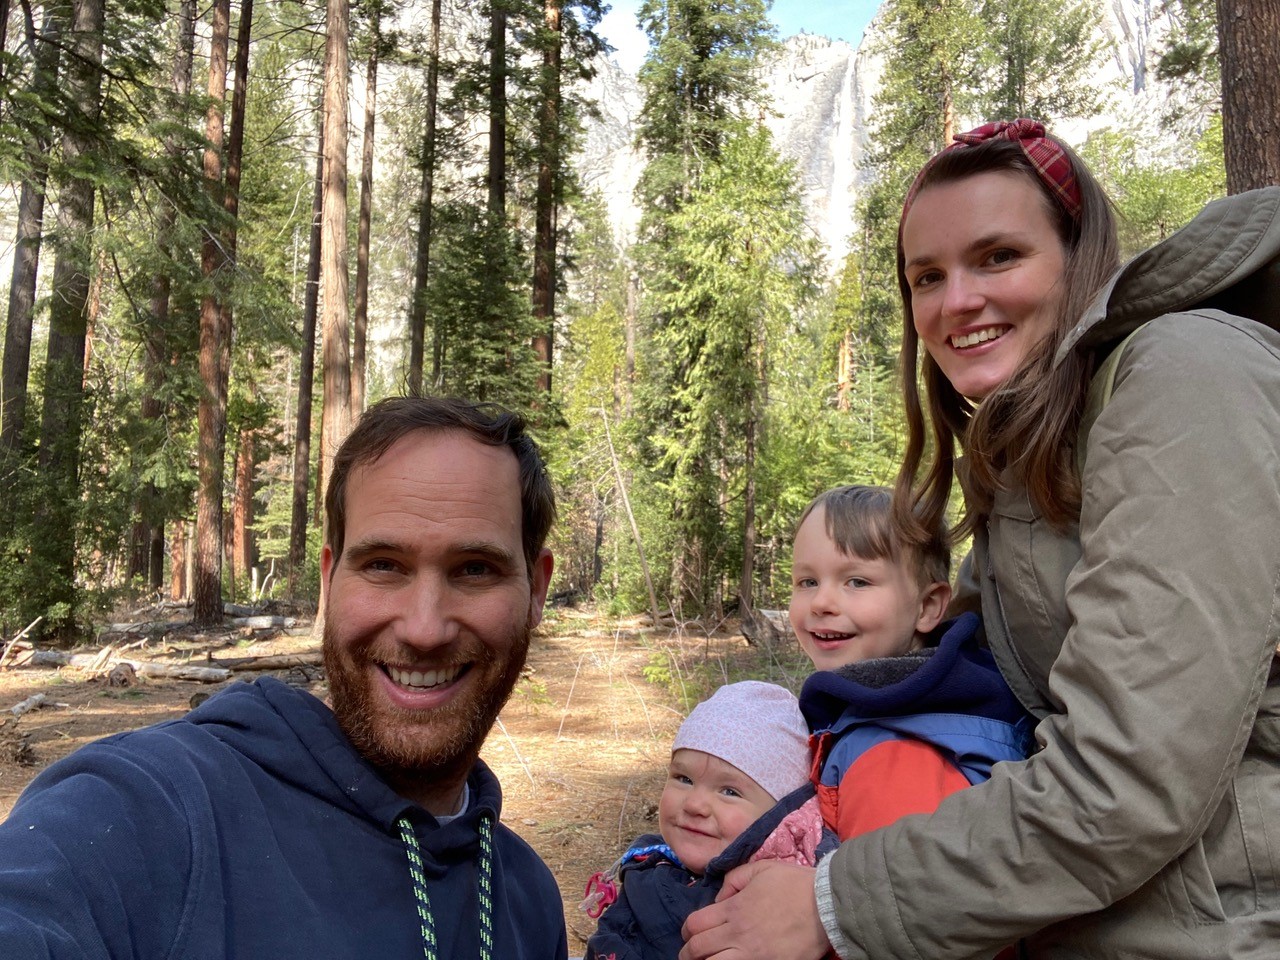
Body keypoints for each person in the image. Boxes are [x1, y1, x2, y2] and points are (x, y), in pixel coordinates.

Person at [680, 119, 1280, 959]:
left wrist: (832, 904)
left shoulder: (1183, 374)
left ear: (1081, 259)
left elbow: (1131, 780)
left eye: (998, 256)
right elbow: (953, 682)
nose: (956, 301)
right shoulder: (1025, 464)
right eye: (927, 276)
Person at [0, 396, 569, 959]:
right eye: (383, 565)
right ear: (329, 580)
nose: (424, 629)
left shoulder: (528, 901)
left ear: (536, 589)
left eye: (475, 569)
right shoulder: (153, 811)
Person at [790, 485, 1030, 841]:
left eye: (857, 581)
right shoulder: (880, 710)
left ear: (928, 607)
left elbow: (885, 890)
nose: (821, 602)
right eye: (807, 581)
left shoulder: (896, 754)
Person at [586, 681, 834, 960]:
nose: (694, 804)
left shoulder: (780, 906)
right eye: (684, 779)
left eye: (729, 791)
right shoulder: (652, 862)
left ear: (779, 815)